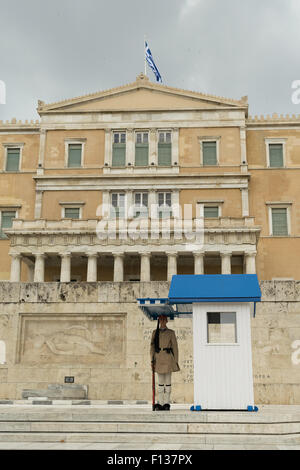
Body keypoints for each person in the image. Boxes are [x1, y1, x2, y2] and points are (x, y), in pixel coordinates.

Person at [150, 314, 180, 411]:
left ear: (166, 321)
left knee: (167, 382)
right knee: (160, 383)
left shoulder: (171, 332)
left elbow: (175, 347)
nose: (162, 321)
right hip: (158, 358)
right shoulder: (155, 333)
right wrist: (152, 359)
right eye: (161, 320)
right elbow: (152, 347)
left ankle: (166, 402)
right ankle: (160, 402)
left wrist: (175, 361)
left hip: (168, 359)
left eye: (164, 320)